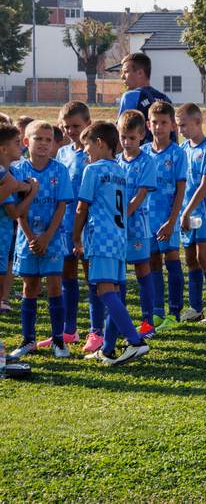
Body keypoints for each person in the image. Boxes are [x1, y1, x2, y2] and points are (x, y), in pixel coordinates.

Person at [73, 121, 150, 366]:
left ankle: (135, 342)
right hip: (118, 239)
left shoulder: (93, 170)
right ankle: (107, 350)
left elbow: (81, 208)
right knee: (113, 293)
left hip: (101, 238)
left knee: (105, 293)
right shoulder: (120, 171)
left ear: (99, 143)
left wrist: (76, 238)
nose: (85, 151)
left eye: (87, 146)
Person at [5, 121, 73, 359]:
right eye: (38, 139)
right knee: (30, 287)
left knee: (54, 287)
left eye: (48, 139)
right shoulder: (18, 171)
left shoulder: (60, 170)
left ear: (54, 144)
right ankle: (28, 340)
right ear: (26, 142)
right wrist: (32, 237)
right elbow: (17, 210)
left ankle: (58, 340)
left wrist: (46, 237)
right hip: (28, 240)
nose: (44, 143)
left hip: (52, 239)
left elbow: (62, 207)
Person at [175, 103, 206, 324]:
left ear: (197, 122)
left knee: (204, 258)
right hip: (185, 212)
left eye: (183, 125)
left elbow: (205, 186)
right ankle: (196, 308)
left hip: (204, 212)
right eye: (178, 126)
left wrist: (186, 211)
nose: (180, 130)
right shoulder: (183, 149)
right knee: (190, 260)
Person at [144, 101, 188, 332]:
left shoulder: (178, 154)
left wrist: (172, 221)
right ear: (148, 125)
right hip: (146, 219)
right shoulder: (142, 153)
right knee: (153, 264)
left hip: (168, 219)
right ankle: (157, 311)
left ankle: (175, 313)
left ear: (172, 126)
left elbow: (181, 190)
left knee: (172, 262)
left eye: (164, 122)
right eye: (155, 122)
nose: (158, 127)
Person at [115, 111, 158, 338]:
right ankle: (120, 323)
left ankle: (147, 323)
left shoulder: (147, 162)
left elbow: (140, 195)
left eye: (132, 138)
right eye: (123, 137)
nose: (127, 142)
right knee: (119, 274)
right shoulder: (114, 162)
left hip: (138, 227)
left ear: (142, 135)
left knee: (142, 271)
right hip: (117, 228)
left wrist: (121, 217)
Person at [56, 102, 93, 351]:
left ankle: (97, 330)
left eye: (76, 126)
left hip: (89, 226)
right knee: (67, 277)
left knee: (93, 279)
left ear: (88, 124)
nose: (70, 131)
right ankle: (70, 330)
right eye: (66, 126)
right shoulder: (62, 153)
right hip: (66, 225)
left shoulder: (95, 151)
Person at [0, 124, 32, 318]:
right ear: (4, 149)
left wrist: (26, 190)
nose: (22, 147)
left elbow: (22, 213)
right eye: (17, 143)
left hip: (5, 240)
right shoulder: (6, 176)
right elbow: (14, 213)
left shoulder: (15, 171)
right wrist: (31, 191)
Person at [118, 53, 173, 145]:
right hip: (165, 152)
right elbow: (174, 134)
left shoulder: (130, 96)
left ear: (140, 73)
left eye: (126, 72)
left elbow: (121, 132)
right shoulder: (165, 98)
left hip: (139, 153)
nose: (122, 76)